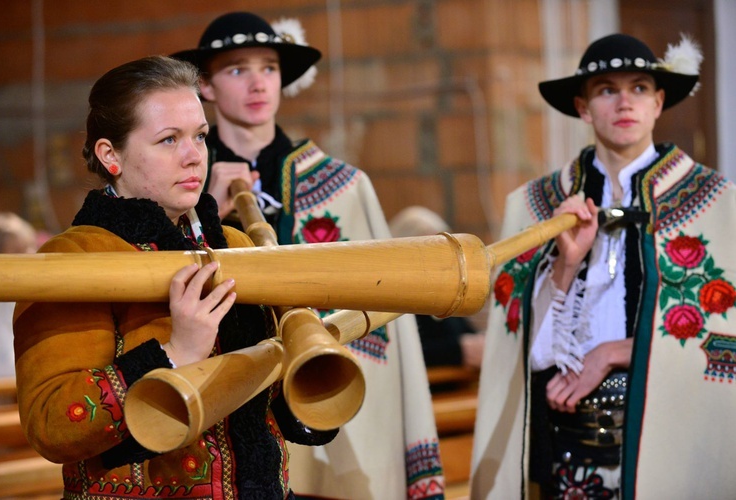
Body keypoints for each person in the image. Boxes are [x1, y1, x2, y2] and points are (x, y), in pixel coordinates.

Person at [12, 55, 339, 499]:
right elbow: (51, 424)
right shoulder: (71, 258)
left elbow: (267, 412)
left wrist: (312, 368)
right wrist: (173, 353)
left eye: (200, 136)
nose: (193, 157)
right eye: (168, 140)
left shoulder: (235, 245)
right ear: (111, 155)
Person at [172, 12, 445, 499]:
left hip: (340, 407)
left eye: (269, 68)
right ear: (206, 88)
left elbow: (391, 318)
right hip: (227, 413)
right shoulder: (178, 188)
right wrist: (204, 210)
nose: (258, 83)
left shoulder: (347, 186)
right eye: (237, 69)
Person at [470, 33, 736, 499]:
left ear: (658, 102)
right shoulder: (533, 207)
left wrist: (614, 351)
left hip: (669, 450)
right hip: (564, 454)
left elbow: (723, 344)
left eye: (638, 88)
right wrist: (565, 266)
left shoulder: (717, 205)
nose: (624, 102)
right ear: (583, 107)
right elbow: (517, 356)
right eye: (606, 90)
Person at [389, 206, 485, 369]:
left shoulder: (446, 292)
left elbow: (466, 333)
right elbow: (397, 353)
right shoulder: (393, 297)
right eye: (432, 250)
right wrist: (458, 351)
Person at [0, 212, 38, 380]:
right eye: (18, 250)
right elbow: (2, 371)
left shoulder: (40, 301)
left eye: (31, 246)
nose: (30, 256)